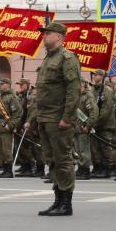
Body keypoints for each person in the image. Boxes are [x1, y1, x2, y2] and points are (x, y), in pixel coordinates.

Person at [35, 21, 80, 215]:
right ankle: (58, 199)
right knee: (51, 159)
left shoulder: (67, 58)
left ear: (59, 37)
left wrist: (67, 117)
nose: (44, 36)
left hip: (59, 118)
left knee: (63, 160)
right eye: (44, 33)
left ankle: (66, 203)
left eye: (48, 33)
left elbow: (73, 90)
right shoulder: (48, 59)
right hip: (45, 117)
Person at [89, 69, 116, 178]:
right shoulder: (92, 89)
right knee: (96, 147)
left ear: (102, 76)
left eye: (97, 75)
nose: (94, 76)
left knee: (105, 147)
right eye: (94, 75)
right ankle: (100, 167)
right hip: (95, 123)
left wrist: (96, 122)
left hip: (105, 124)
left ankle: (107, 168)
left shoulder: (107, 90)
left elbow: (105, 110)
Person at [74, 78, 97, 180]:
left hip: (83, 127)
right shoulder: (76, 95)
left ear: (83, 83)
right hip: (76, 127)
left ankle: (85, 170)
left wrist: (88, 125)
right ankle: (80, 169)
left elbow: (94, 112)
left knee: (84, 150)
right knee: (78, 150)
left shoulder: (87, 95)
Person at [13, 79, 35, 177]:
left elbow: (30, 111)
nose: (20, 86)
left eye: (22, 84)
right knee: (20, 147)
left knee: (26, 146)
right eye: (20, 84)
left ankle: (29, 166)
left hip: (27, 124)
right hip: (20, 123)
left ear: (27, 84)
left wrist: (27, 122)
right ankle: (24, 165)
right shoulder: (21, 95)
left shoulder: (30, 96)